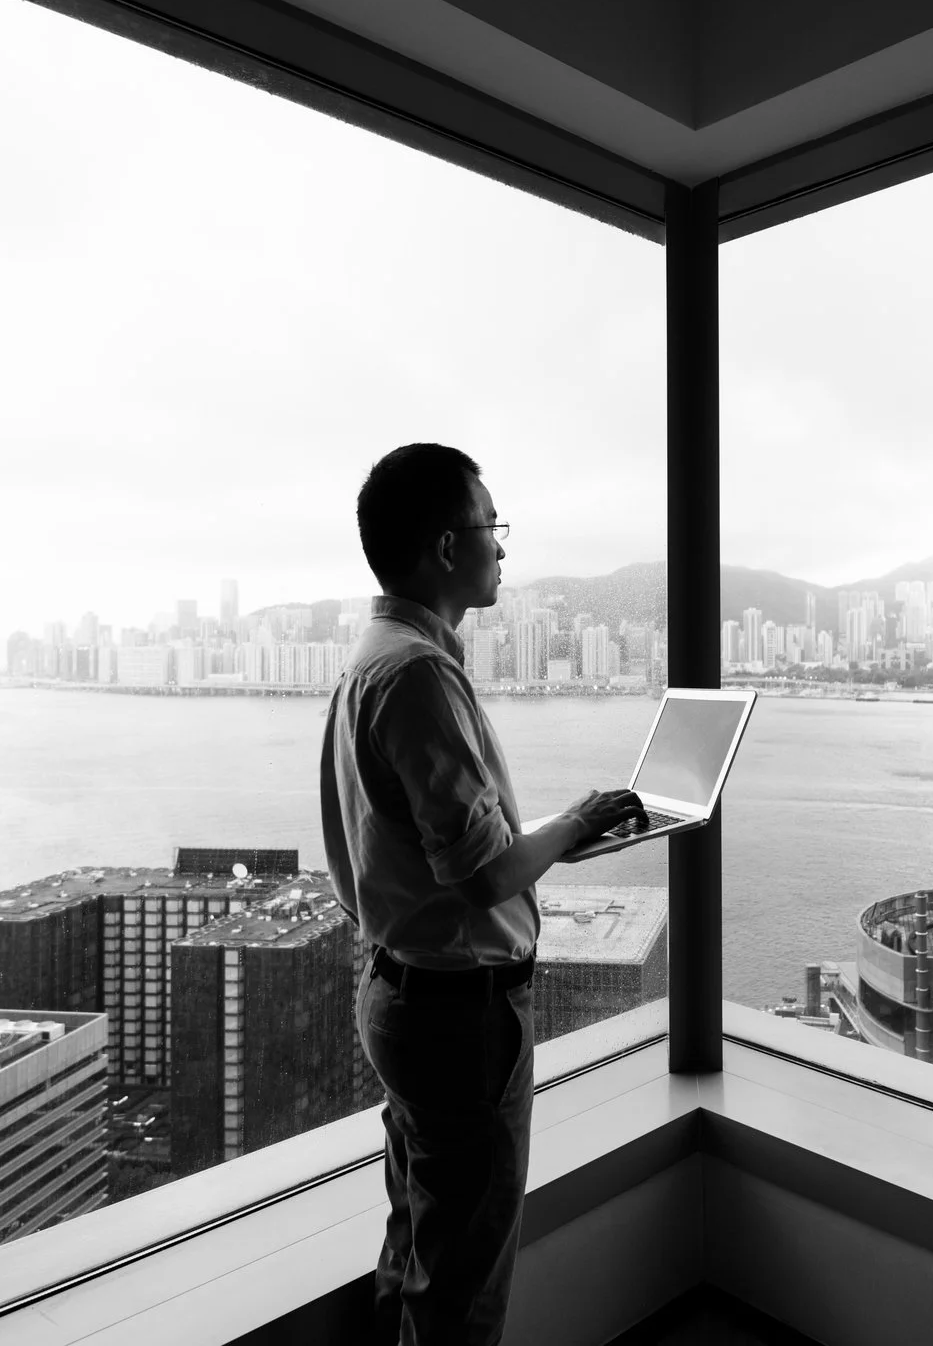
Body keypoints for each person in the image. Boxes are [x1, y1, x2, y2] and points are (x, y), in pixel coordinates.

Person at [321, 442, 643, 1345]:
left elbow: (411, 851)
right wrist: (572, 824)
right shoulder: (418, 674)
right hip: (458, 1021)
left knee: (417, 1246)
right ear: (444, 547)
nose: (502, 547)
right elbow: (479, 876)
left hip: (399, 992)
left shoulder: (371, 658)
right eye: (489, 526)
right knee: (463, 1284)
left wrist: (549, 844)